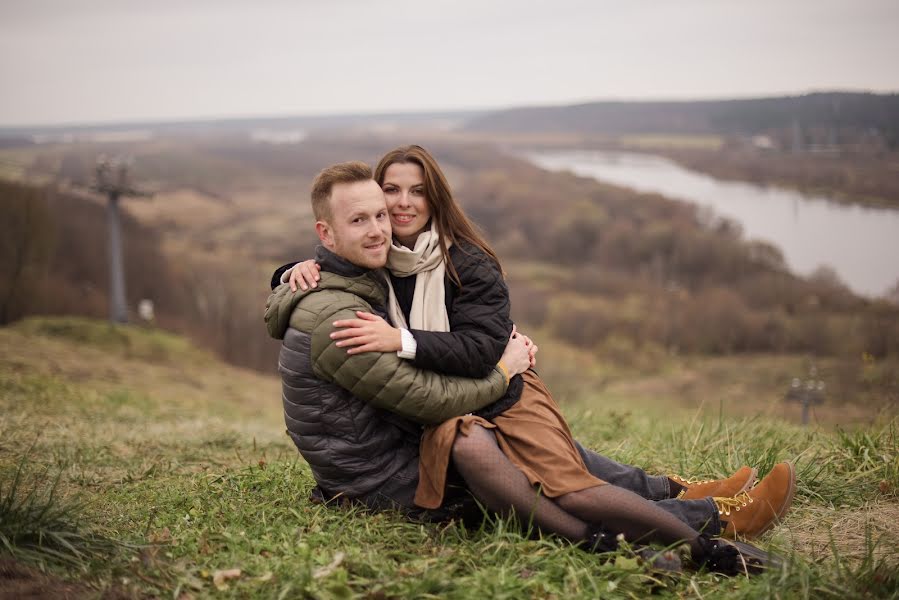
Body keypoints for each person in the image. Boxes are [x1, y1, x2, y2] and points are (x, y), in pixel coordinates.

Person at [267, 159, 787, 574]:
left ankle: (684, 494)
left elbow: (475, 345)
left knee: (556, 461)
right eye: (371, 212)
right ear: (328, 234)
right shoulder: (352, 295)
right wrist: (292, 270)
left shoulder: (456, 261)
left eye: (404, 199)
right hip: (402, 450)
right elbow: (419, 394)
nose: (390, 215)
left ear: (436, 198)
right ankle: (706, 519)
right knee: (550, 475)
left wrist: (500, 364)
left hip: (484, 392)